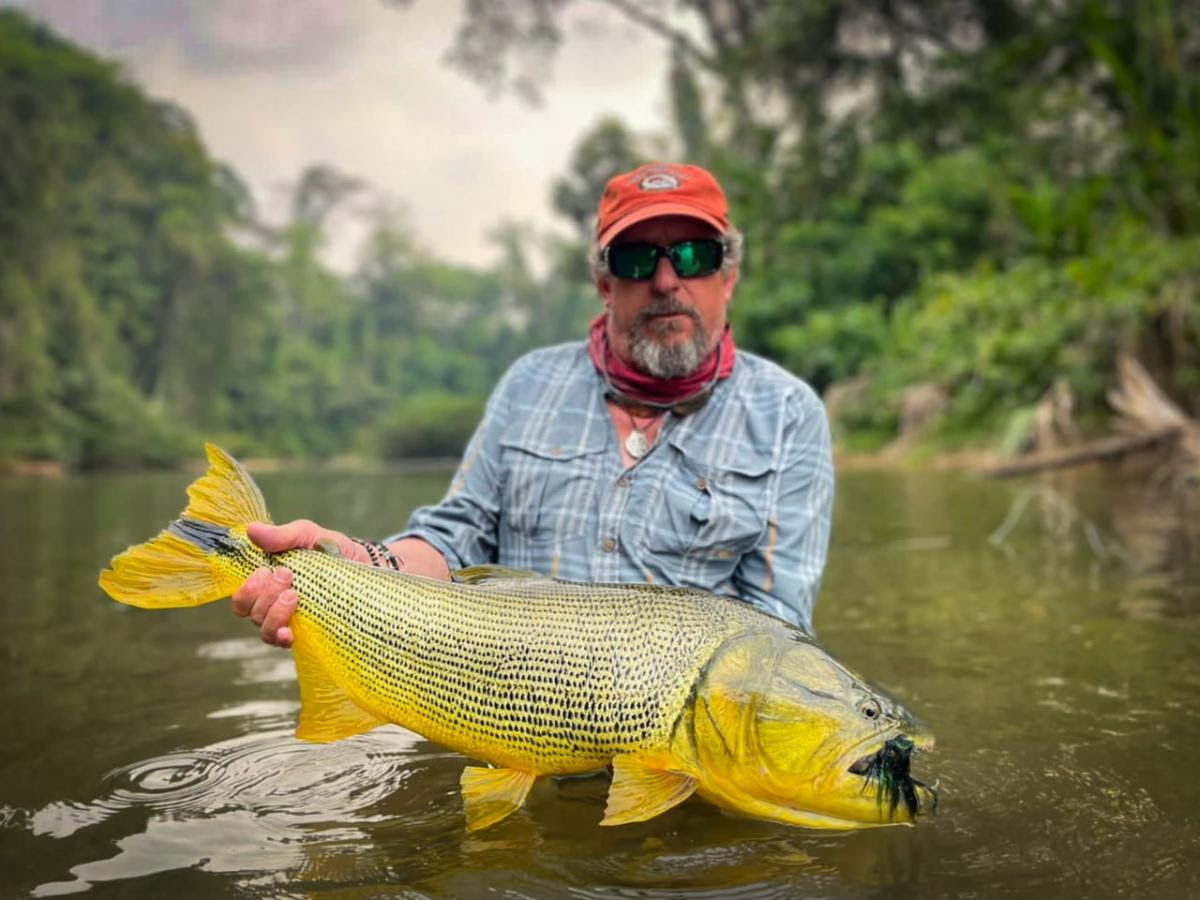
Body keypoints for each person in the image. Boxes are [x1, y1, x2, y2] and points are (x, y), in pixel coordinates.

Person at [232, 162, 834, 646]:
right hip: (511, 714)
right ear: (604, 283)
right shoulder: (530, 384)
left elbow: (775, 630)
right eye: (636, 259)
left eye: (695, 255)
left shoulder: (787, 415)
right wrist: (353, 562)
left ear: (726, 276)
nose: (667, 280)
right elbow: (454, 538)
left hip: (679, 739)